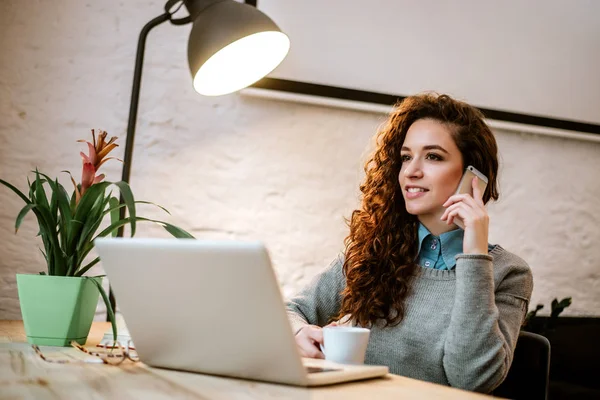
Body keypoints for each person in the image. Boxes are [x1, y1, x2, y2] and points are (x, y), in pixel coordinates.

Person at [285, 93, 533, 394]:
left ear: (473, 176)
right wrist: (300, 332)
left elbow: (472, 378)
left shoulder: (508, 272)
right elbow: (290, 310)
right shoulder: (372, 250)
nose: (411, 171)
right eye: (406, 157)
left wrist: (475, 255)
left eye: (433, 156)